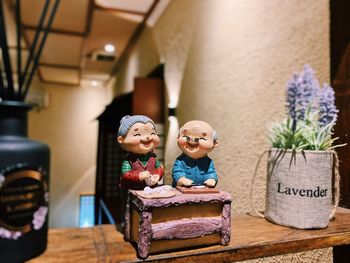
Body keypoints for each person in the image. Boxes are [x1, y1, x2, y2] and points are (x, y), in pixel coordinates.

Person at [117, 115, 163, 190]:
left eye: (152, 133)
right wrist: (139, 176)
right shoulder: (129, 159)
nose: (148, 137)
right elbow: (125, 174)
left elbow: (159, 167)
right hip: (133, 190)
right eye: (137, 134)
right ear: (121, 139)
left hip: (151, 189)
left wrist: (157, 175)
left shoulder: (152, 157)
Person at [172, 120, 219, 188]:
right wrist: (181, 179)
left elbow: (211, 173)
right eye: (186, 136)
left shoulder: (208, 162)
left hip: (202, 189)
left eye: (202, 138)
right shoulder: (180, 161)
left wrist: (211, 179)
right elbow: (177, 172)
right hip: (183, 190)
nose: (192, 140)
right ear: (177, 138)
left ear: (215, 143)